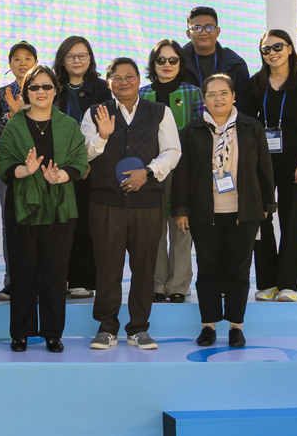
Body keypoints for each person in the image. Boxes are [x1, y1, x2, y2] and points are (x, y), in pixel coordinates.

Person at [82, 58, 181, 350]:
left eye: (130, 76)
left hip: (147, 203)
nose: (124, 82)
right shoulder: (94, 113)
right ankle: (106, 327)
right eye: (117, 77)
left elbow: (173, 151)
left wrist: (147, 172)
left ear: (140, 79)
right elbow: (84, 154)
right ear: (108, 81)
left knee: (144, 266)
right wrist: (102, 135)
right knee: (107, 267)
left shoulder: (159, 112)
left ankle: (138, 328)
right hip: (105, 203)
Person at [172, 74, 275, 349]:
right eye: (211, 94)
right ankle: (208, 325)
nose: (218, 98)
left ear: (233, 96)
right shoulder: (192, 130)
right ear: (203, 100)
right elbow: (182, 175)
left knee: (238, 270)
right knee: (207, 269)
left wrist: (267, 206)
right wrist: (181, 210)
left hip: (245, 211)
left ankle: (236, 326)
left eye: (223, 93)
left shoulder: (251, 127)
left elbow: (264, 169)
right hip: (205, 213)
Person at [0, 65, 86, 353]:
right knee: (23, 273)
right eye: (34, 87)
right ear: (26, 92)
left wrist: (58, 177)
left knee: (55, 274)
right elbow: (4, 164)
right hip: (23, 209)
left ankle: (52, 333)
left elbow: (80, 162)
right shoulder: (14, 125)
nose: (41, 92)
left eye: (47, 86)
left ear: (55, 90)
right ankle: (20, 333)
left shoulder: (69, 125)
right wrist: (26, 169)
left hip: (60, 209)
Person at [251, 30, 297, 302]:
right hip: (263, 159)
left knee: (292, 219)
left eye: (277, 47)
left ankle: (289, 284)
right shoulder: (257, 82)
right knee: (262, 217)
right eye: (266, 50)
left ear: (290, 48)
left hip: (296, 159)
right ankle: (267, 282)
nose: (272, 53)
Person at [138, 39, 204, 304]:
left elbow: (201, 134)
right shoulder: (142, 94)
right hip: (150, 172)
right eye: (161, 60)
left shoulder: (194, 93)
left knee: (181, 229)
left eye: (173, 60)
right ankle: (156, 284)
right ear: (153, 64)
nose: (167, 65)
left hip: (184, 170)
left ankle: (178, 284)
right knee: (153, 232)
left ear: (181, 62)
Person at [53, 35, 111, 300]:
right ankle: (58, 278)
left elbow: (107, 128)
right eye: (71, 56)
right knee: (59, 224)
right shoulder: (52, 86)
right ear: (62, 60)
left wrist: (86, 162)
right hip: (56, 166)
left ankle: (83, 279)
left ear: (90, 59)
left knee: (87, 224)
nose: (77, 61)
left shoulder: (102, 88)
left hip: (91, 167)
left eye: (82, 56)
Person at [0, 40, 38, 301]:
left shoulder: (43, 90)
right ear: (10, 65)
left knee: (39, 220)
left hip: (39, 163)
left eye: (27, 58)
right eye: (17, 59)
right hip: (9, 164)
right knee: (10, 221)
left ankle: (37, 278)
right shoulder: (1, 93)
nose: (22, 63)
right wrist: (12, 116)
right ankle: (11, 280)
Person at [180, 6, 255, 116]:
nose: (204, 33)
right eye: (197, 28)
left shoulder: (235, 63)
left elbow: (244, 106)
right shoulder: (177, 63)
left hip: (227, 128)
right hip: (188, 128)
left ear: (218, 31)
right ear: (188, 34)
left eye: (209, 28)